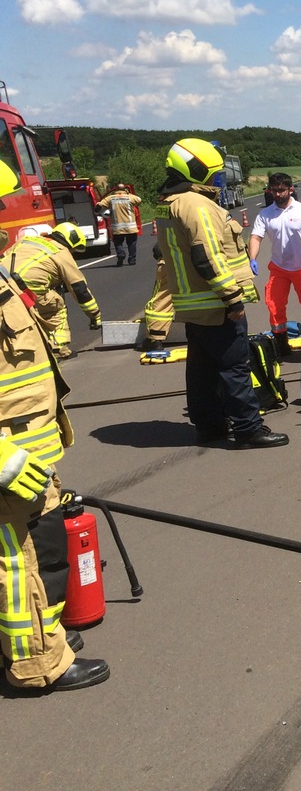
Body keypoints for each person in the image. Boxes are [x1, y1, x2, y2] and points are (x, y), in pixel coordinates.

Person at [0, 161, 110, 692]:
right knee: (13, 561)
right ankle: (38, 667)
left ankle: (48, 641)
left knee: (35, 550)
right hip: (10, 463)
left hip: (29, 455)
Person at [158, 138, 287, 449]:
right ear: (196, 170)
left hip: (195, 306)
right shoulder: (196, 204)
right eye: (213, 173)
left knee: (201, 371)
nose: (218, 180)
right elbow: (207, 256)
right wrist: (231, 297)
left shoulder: (170, 203)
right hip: (217, 304)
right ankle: (248, 429)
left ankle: (210, 426)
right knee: (234, 368)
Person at [247, 173, 301, 356]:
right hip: (279, 268)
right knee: (275, 306)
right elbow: (255, 237)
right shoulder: (265, 214)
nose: (277, 195)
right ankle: (281, 344)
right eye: (274, 191)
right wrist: (252, 258)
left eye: (281, 190)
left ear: (290, 189)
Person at [8, 221, 102, 360]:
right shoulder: (62, 253)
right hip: (26, 289)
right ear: (70, 244)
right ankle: (58, 348)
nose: (72, 253)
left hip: (3, 284)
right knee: (56, 306)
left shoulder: (27, 240)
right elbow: (80, 290)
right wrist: (95, 317)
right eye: (73, 250)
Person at [95, 181, 142, 266]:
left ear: (116, 189)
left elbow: (99, 205)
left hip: (117, 227)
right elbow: (139, 200)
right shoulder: (130, 197)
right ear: (125, 189)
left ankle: (121, 254)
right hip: (130, 227)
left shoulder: (110, 198)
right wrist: (128, 194)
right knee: (132, 244)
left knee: (118, 243)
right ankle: (132, 260)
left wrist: (97, 210)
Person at [139, 243, 174, 353]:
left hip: (169, 261)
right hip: (178, 258)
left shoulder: (163, 266)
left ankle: (155, 340)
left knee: (159, 302)